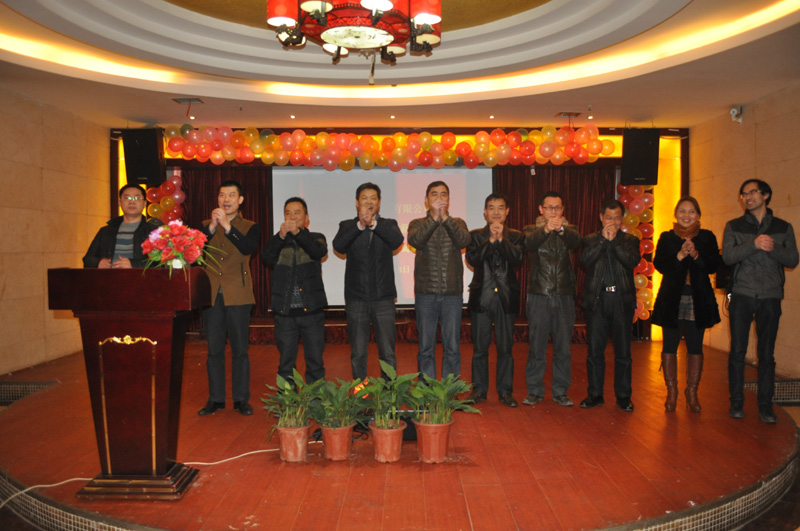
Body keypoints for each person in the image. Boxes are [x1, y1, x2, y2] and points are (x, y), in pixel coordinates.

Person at [723, 179, 798, 423]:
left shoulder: (783, 227)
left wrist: (771, 247)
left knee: (767, 354)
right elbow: (728, 257)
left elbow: (792, 259)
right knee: (738, 351)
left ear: (765, 195)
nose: (747, 197)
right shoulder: (733, 226)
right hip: (742, 295)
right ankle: (736, 402)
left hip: (770, 296)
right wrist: (753, 244)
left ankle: (766, 406)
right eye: (744, 194)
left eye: (752, 192)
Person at [651, 197, 721, 413]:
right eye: (682, 211)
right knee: (669, 346)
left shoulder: (707, 237)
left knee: (695, 346)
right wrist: (680, 255)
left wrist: (696, 254)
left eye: (691, 212)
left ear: (698, 215)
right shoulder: (667, 237)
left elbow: (713, 265)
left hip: (698, 300)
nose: (687, 215)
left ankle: (692, 392)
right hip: (671, 299)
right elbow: (660, 265)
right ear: (675, 214)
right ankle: (671, 392)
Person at [198, 180, 260, 416]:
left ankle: (241, 399)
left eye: (232, 195)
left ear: (240, 200)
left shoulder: (250, 226)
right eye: (222, 195)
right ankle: (215, 399)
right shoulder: (205, 226)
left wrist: (227, 226)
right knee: (214, 349)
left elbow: (247, 248)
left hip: (238, 294)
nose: (226, 200)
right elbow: (193, 250)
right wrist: (212, 228)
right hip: (211, 294)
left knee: (240, 350)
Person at [333, 183, 404, 380]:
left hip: (384, 299)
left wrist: (373, 224)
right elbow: (338, 245)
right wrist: (359, 225)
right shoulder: (347, 226)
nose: (369, 202)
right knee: (358, 353)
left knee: (388, 353)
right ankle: (360, 394)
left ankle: (388, 393)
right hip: (356, 299)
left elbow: (397, 241)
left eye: (373, 198)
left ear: (379, 203)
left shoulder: (388, 224)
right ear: (357, 203)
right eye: (364, 198)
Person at [579, 198, 641, 412]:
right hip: (597, 301)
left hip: (621, 302)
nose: (612, 222)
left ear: (622, 219)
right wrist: (603, 242)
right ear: (601, 218)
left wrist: (613, 242)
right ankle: (595, 394)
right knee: (595, 351)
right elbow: (585, 261)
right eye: (608, 218)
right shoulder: (590, 239)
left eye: (616, 218)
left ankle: (623, 396)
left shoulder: (630, 240)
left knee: (623, 352)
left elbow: (631, 262)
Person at [522, 191, 581, 408]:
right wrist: (547, 229)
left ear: (562, 210)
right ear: (541, 209)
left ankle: (560, 392)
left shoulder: (570, 230)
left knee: (563, 349)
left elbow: (576, 242)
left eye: (557, 208)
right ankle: (534, 391)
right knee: (536, 347)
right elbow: (529, 244)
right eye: (549, 208)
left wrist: (561, 229)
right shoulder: (531, 229)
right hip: (539, 294)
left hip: (564, 295)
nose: (553, 212)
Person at [465, 193, 524, 407]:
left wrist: (502, 240)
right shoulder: (475, 236)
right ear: (485, 212)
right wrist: (490, 241)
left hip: (506, 298)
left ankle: (505, 391)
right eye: (491, 208)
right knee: (480, 349)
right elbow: (472, 259)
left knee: (505, 349)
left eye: (500, 208)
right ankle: (479, 391)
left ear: (507, 212)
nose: (496, 212)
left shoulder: (516, 236)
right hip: (482, 297)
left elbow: (518, 259)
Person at [408, 181, 471, 379]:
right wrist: (435, 218)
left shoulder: (458, 222)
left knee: (452, 347)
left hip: (452, 295)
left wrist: (445, 218)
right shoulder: (417, 223)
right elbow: (416, 241)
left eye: (443, 194)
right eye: (434, 194)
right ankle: (427, 389)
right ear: (426, 201)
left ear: (449, 200)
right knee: (426, 347)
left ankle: (448, 390)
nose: (439, 198)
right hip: (426, 294)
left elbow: (464, 241)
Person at [262, 197, 328, 385]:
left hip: (312, 311)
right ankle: (288, 400)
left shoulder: (316, 237)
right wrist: (281, 237)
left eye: (297, 213)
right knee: (285, 363)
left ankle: (316, 399)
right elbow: (267, 257)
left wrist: (298, 233)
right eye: (288, 213)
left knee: (315, 362)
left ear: (306, 218)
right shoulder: (277, 240)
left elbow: (318, 252)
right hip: (285, 313)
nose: (292, 216)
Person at [83, 184, 160, 268]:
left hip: (139, 276)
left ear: (144, 203)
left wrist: (133, 264)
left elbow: (160, 263)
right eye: (127, 198)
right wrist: (98, 263)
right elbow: (87, 260)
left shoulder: (153, 231)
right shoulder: (106, 231)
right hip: (109, 275)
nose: (132, 202)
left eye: (137, 198)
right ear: (120, 202)